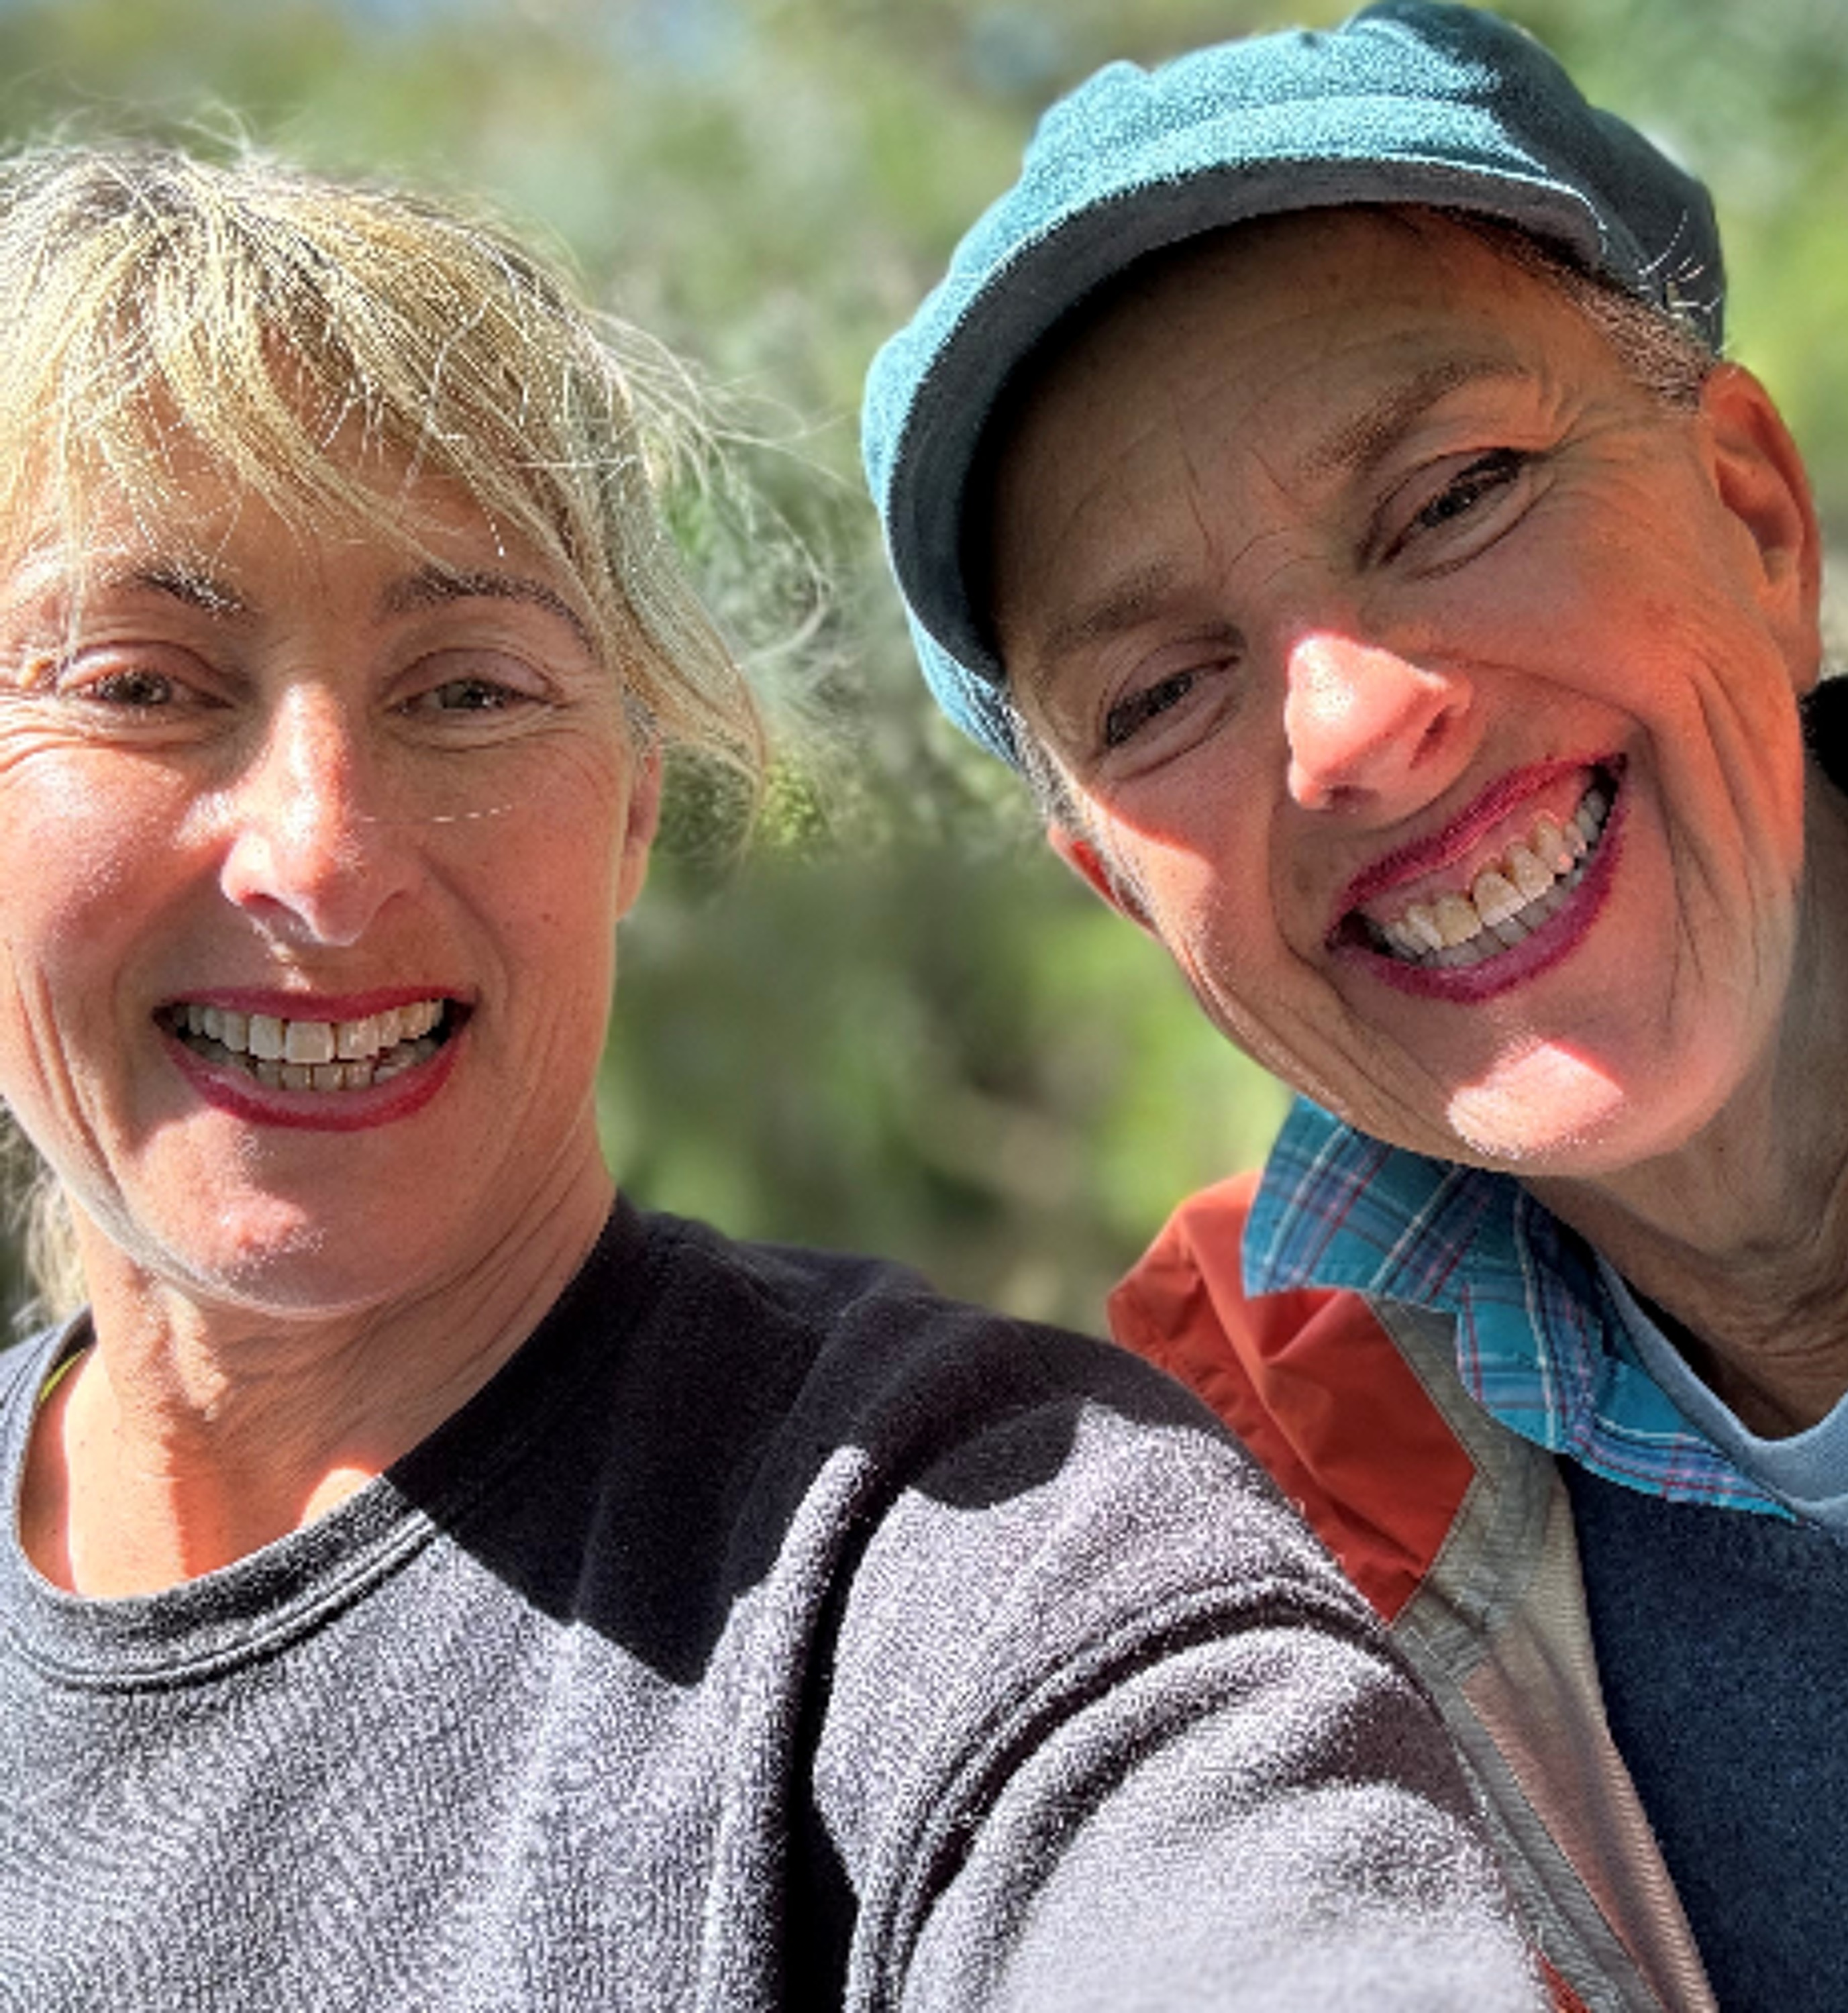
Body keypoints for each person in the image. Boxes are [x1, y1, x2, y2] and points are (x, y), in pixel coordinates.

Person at [0, 140, 1541, 2010]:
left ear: (633, 811)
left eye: (468, 690)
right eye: (140, 683)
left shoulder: (983, 1549)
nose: (321, 858)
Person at [864, 3, 1848, 2008]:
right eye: (1163, 693)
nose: (1352, 728)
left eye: (1455, 495)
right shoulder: (1210, 1536)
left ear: (1755, 515)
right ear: (1126, 894)